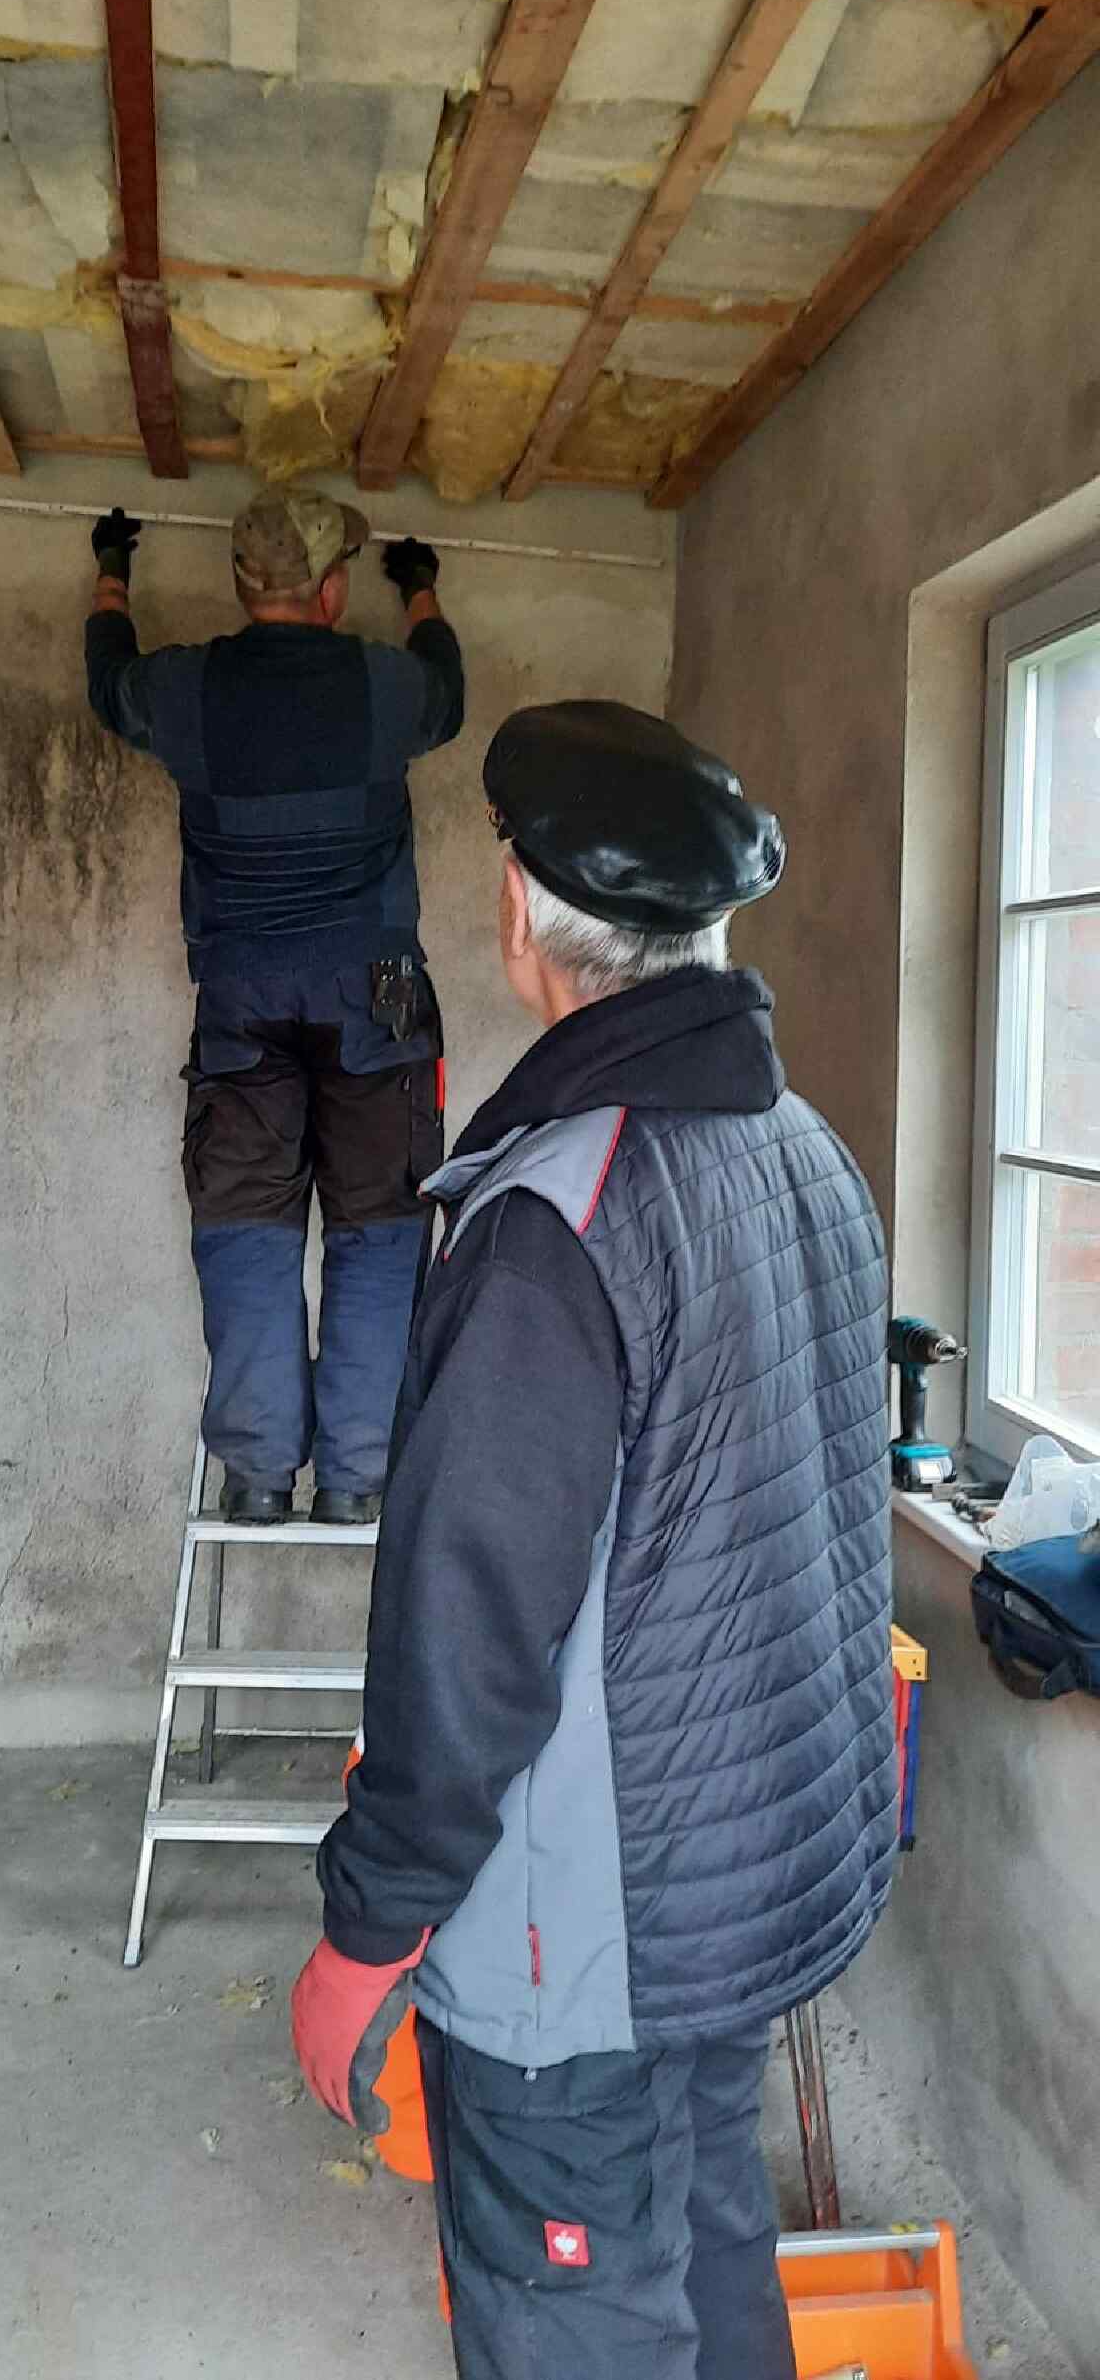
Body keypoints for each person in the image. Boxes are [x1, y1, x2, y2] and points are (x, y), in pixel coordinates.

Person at [290, 700, 897, 2378]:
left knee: (583, 2321)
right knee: (710, 2256)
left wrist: (366, 1931)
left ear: (517, 911)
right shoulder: (808, 1155)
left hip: (585, 1955)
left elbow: (462, 1643)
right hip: (740, 1895)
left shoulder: (553, 1222)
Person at [85, 491, 463, 1527]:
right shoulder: (385, 683)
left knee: (247, 1227)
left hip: (242, 998)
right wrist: (421, 590)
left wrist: (111, 572)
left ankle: (256, 1476)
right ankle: (359, 1478)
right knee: (379, 1224)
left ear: (242, 585)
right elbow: (448, 688)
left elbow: (108, 682)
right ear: (333, 590)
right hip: (375, 998)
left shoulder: (185, 687)